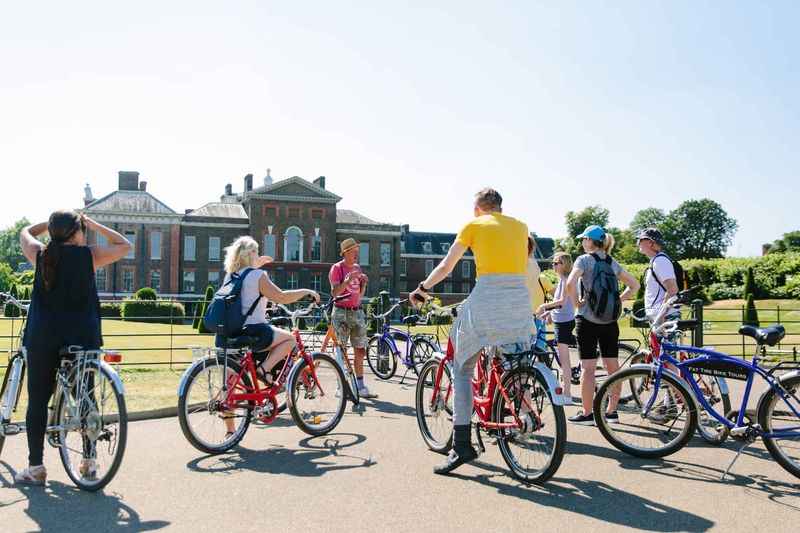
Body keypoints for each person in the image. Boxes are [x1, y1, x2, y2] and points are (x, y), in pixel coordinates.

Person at [409, 188, 532, 475]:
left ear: (477, 209)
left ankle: (461, 446)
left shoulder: (473, 225)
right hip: (519, 302)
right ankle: (511, 409)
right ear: (500, 207)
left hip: (487, 298)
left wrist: (423, 288)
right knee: (511, 358)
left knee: (462, 368)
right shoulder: (521, 227)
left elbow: (446, 266)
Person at [15, 211, 132, 485]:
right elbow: (124, 245)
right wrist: (94, 223)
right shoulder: (88, 256)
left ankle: (35, 467)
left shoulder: (42, 255)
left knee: (38, 401)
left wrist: (50, 225)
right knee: (86, 397)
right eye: (82, 229)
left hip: (44, 336)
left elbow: (24, 233)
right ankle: (89, 462)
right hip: (82, 335)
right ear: (76, 232)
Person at [218, 236, 320, 435]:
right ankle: (265, 370)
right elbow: (281, 296)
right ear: (250, 255)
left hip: (229, 334)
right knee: (290, 340)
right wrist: (307, 291)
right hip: (254, 332)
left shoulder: (230, 276)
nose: (258, 254)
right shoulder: (258, 276)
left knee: (229, 386)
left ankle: (231, 433)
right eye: (256, 251)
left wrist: (255, 266)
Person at [564, 225, 639, 425]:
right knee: (613, 368)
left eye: (583, 239)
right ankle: (612, 412)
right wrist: (618, 301)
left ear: (590, 240)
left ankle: (588, 414)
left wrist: (576, 303)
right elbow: (635, 285)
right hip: (610, 322)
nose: (582, 243)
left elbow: (570, 283)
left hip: (587, 320)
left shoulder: (584, 260)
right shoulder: (612, 262)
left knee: (588, 369)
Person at [329, 238, 376, 399]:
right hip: (341, 312)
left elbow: (359, 295)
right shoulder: (337, 268)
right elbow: (334, 293)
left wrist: (363, 284)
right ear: (345, 252)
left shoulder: (357, 267)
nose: (357, 253)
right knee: (340, 351)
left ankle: (360, 386)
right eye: (354, 250)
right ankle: (340, 386)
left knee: (360, 350)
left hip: (357, 312)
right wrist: (347, 280)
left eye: (357, 250)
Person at [536, 251, 576, 405]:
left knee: (565, 361)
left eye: (556, 263)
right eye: (553, 263)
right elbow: (561, 305)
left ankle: (567, 394)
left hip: (564, 323)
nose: (553, 265)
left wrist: (544, 306)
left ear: (564, 264)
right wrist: (550, 313)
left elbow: (561, 301)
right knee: (563, 358)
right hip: (562, 320)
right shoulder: (562, 280)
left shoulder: (566, 280)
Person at [637, 228, 678, 320]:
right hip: (659, 316)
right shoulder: (656, 260)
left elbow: (672, 290)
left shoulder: (660, 261)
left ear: (651, 243)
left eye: (641, 240)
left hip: (665, 318)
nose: (638, 242)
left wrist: (661, 316)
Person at [525, 236, 553, 352]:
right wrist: (550, 310)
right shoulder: (542, 279)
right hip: (538, 317)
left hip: (522, 317)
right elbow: (557, 295)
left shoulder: (516, 274)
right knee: (540, 349)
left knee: (523, 350)